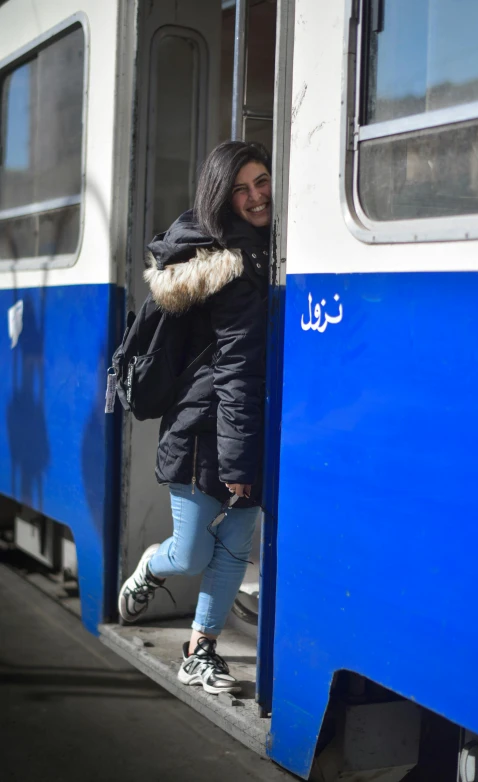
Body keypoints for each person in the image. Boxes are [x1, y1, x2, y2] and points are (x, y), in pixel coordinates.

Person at [118, 141, 271, 695]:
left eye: (262, 182)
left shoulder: (263, 251)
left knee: (232, 547)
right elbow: (235, 372)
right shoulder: (229, 269)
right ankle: (149, 569)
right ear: (221, 197)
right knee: (192, 552)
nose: (257, 197)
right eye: (241, 189)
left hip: (244, 427)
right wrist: (237, 460)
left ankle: (199, 650)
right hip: (202, 431)